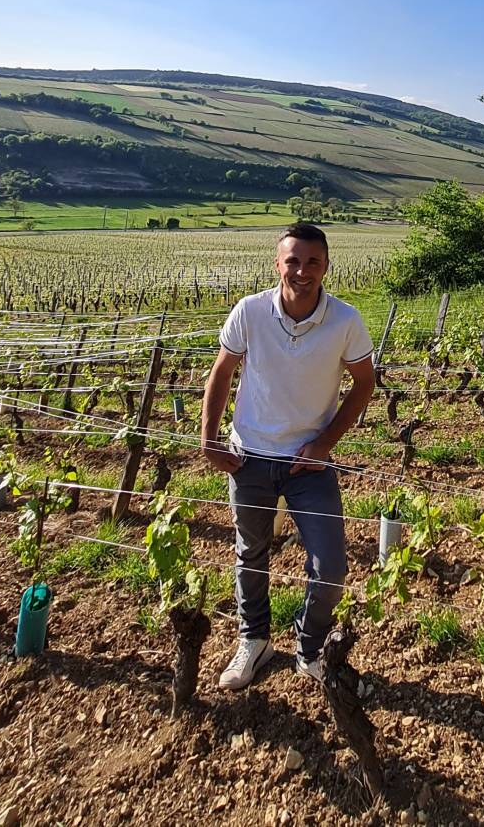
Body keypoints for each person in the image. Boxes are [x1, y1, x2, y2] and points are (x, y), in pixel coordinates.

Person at [200, 223, 375, 689]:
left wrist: (324, 444)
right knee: (250, 554)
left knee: (332, 568)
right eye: (292, 261)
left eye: (312, 262)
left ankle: (310, 644)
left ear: (326, 267)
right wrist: (209, 439)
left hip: (308, 463)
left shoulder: (345, 321)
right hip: (250, 456)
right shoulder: (250, 312)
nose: (302, 270)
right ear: (277, 263)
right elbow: (221, 373)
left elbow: (365, 384)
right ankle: (253, 640)